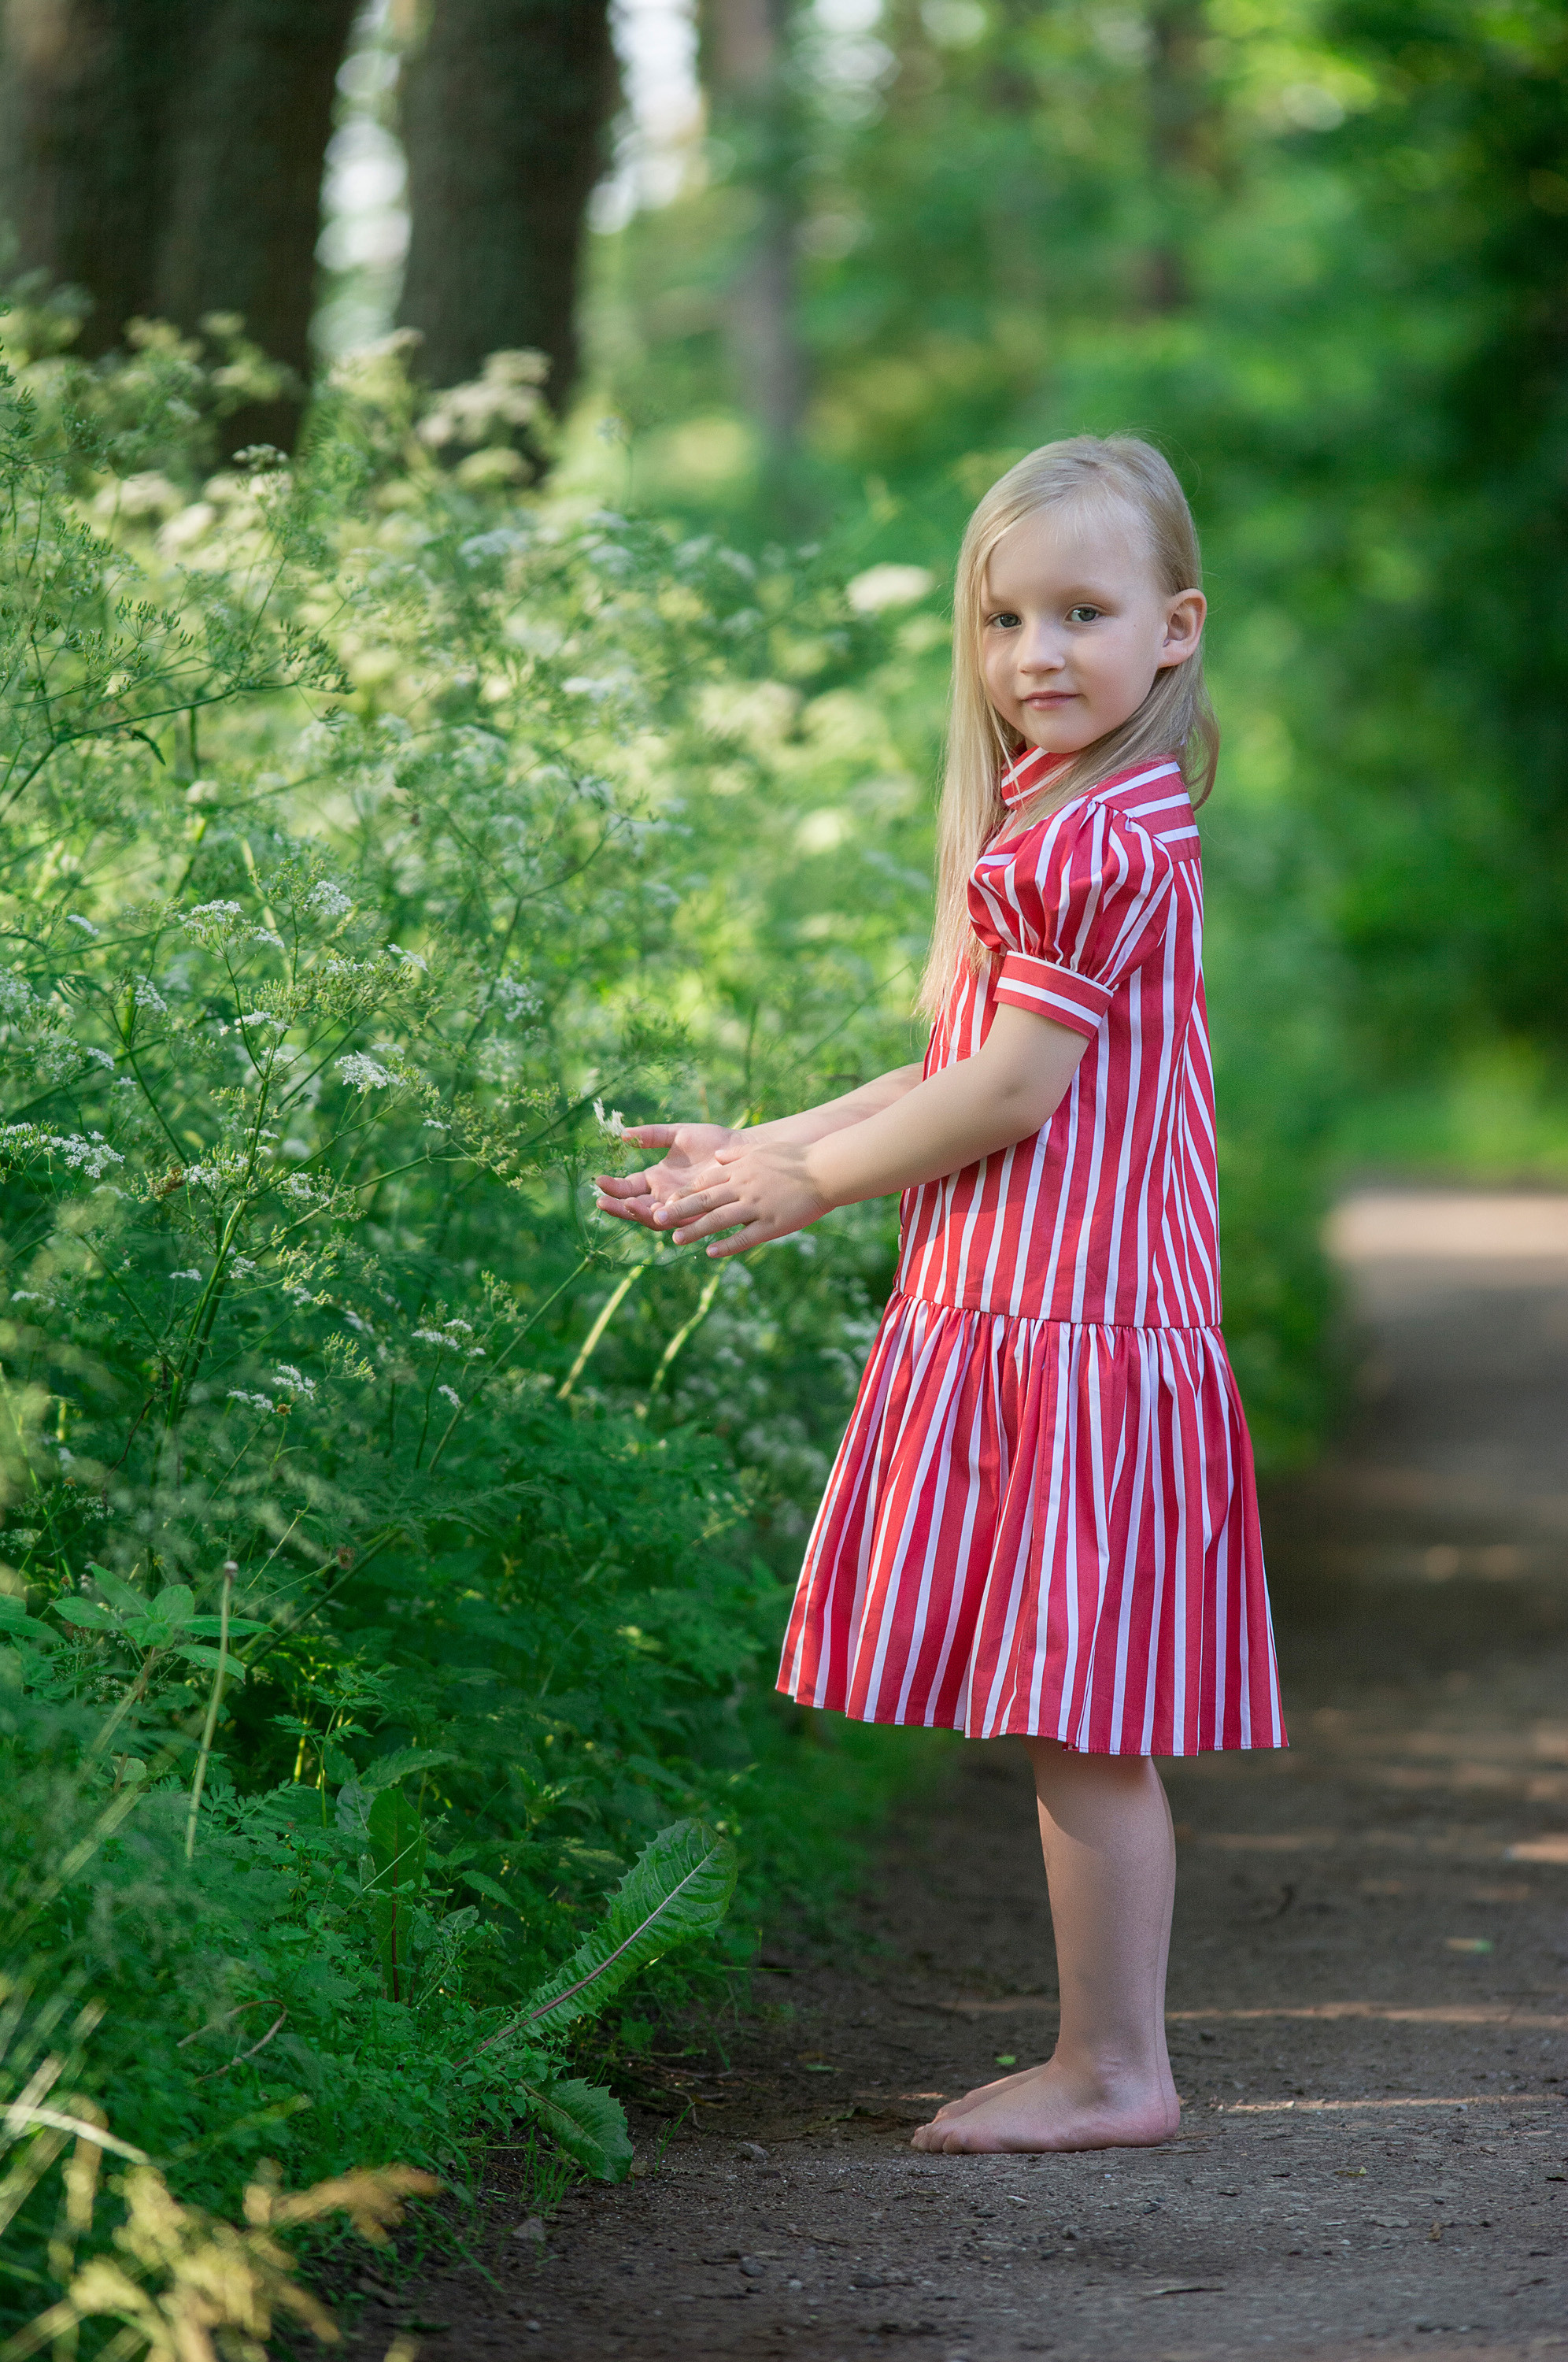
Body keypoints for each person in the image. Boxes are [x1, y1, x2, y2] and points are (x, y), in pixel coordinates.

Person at [594, 435, 1285, 2154]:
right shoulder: (1080, 816)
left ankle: (1113, 2072)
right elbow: (952, 1057)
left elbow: (1008, 1097)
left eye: (1082, 611)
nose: (1035, 652)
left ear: (1176, 628)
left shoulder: (1085, 842)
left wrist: (812, 1183)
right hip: (1046, 1314)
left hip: (1070, 1328)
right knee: (1074, 1715)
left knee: (1083, 1724)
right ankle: (1100, 2058)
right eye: (1001, 618)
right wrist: (764, 1139)